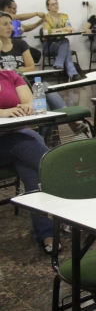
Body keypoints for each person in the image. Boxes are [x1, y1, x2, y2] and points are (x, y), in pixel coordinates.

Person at [1, 13, 89, 137]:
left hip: (27, 81)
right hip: (12, 87)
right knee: (43, 99)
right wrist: (14, 72)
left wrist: (12, 71)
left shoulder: (20, 44)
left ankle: (49, 136)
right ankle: (69, 124)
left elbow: (31, 67)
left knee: (42, 88)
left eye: (10, 23)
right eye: (5, 24)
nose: (10, 27)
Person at [0, 69, 55, 253]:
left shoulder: (9, 75)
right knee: (26, 141)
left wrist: (28, 107)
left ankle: (48, 235)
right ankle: (67, 179)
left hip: (18, 138)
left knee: (30, 168)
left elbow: (30, 100)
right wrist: (3, 112)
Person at [42, 0, 83, 81]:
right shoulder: (45, 17)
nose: (55, 5)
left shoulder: (64, 16)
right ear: (48, 7)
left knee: (65, 42)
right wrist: (62, 29)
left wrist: (62, 29)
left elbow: (69, 28)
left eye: (56, 3)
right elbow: (46, 31)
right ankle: (73, 74)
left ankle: (59, 65)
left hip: (61, 42)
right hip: (49, 44)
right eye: (52, 4)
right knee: (66, 48)